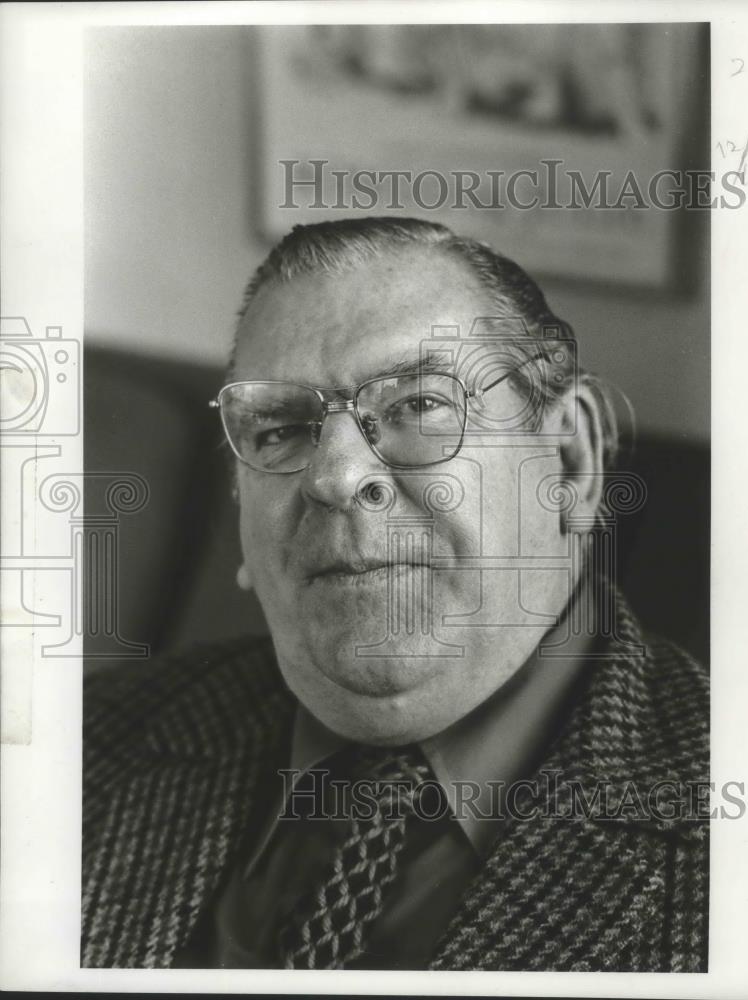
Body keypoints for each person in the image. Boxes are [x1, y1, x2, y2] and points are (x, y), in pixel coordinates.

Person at [81, 217, 709, 972]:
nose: (337, 477)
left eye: (418, 405)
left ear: (568, 463)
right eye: (281, 428)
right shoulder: (82, 754)